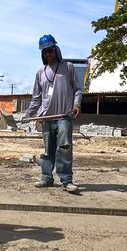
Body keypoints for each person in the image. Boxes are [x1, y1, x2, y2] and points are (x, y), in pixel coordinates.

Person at [22, 34, 83, 193]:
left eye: (50, 50)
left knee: (64, 149)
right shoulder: (40, 73)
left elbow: (77, 90)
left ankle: (66, 181)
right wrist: (28, 114)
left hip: (64, 117)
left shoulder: (68, 67)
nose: (48, 54)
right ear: (42, 54)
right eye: (45, 52)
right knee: (48, 150)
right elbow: (36, 98)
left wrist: (76, 105)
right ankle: (46, 178)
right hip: (46, 118)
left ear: (56, 50)